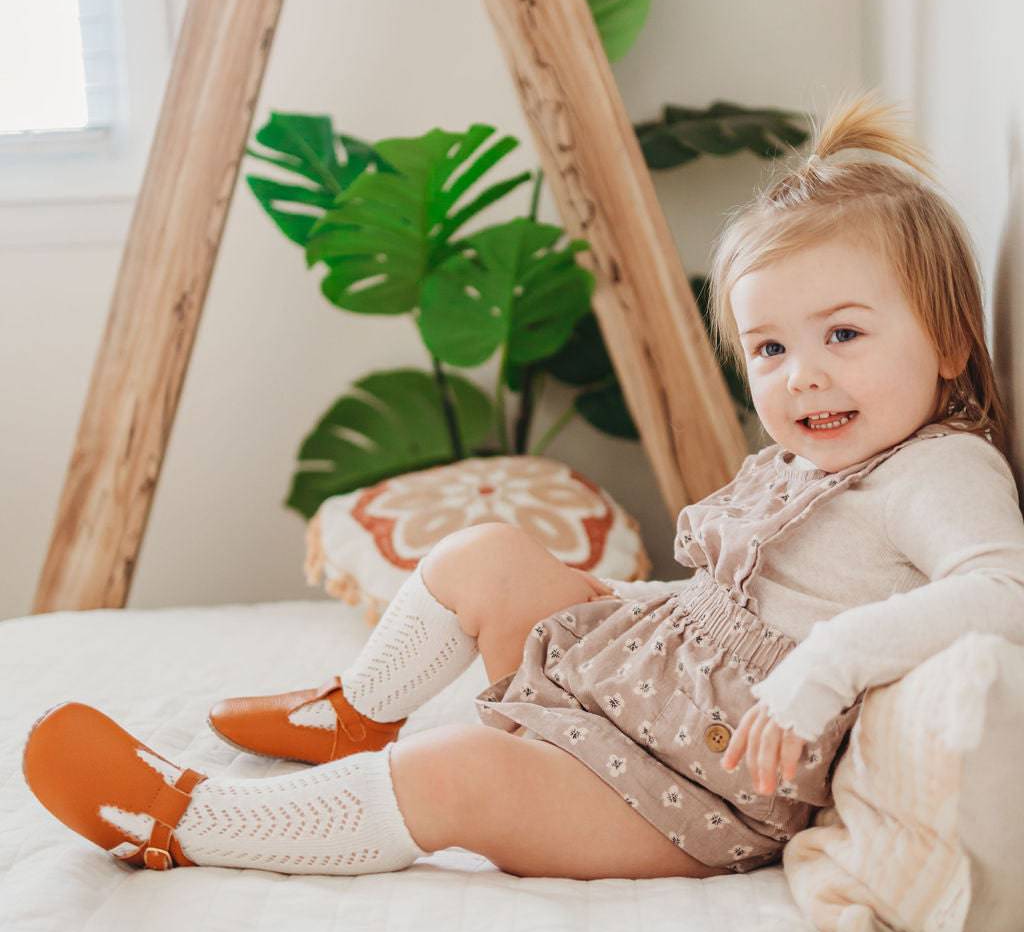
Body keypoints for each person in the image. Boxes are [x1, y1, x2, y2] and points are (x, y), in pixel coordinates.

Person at [23, 91, 1024, 883]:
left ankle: (191, 819)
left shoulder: (935, 469)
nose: (802, 376)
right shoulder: (815, 460)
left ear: (946, 341)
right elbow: (735, 605)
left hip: (700, 789)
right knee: (484, 557)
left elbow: (1003, 589)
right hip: (651, 693)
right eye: (769, 348)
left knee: (460, 772)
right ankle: (354, 712)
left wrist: (831, 663)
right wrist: (629, 611)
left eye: (842, 334)